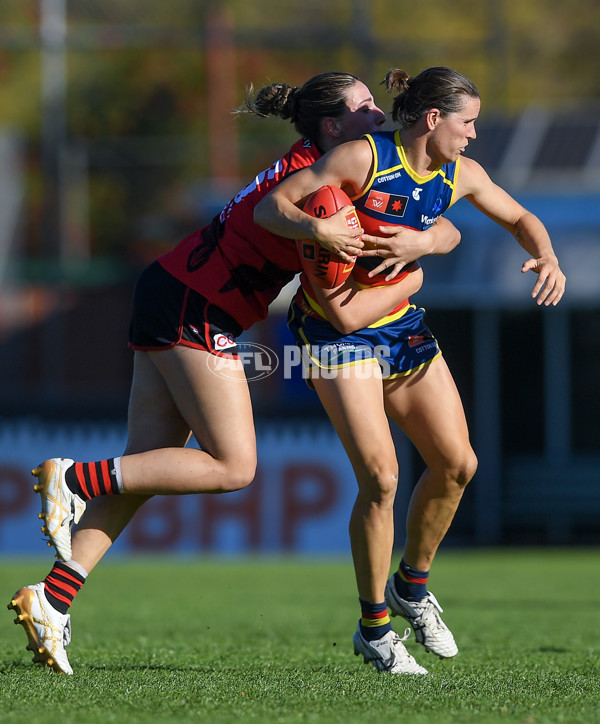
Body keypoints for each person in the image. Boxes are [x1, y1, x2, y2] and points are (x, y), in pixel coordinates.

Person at [7, 71, 461, 676]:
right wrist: (374, 254)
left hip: (170, 288)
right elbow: (332, 296)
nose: (379, 114)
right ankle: (74, 476)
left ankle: (52, 600)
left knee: (147, 465)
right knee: (233, 465)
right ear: (332, 127)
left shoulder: (324, 167)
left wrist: (428, 242)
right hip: (198, 306)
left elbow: (446, 213)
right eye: (365, 107)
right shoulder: (327, 188)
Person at [254, 65, 566, 675]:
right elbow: (271, 208)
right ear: (433, 119)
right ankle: (374, 629)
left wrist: (545, 255)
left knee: (458, 464)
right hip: (333, 333)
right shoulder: (362, 158)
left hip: (399, 324)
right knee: (382, 478)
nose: (474, 135)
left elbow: (521, 219)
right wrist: (315, 226)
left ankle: (411, 588)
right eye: (467, 122)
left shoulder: (460, 174)